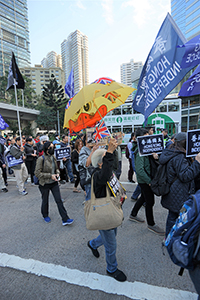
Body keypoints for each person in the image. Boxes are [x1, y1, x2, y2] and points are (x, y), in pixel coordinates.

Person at [87, 139, 127, 282]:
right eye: (106, 158)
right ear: (100, 163)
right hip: (104, 214)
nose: (109, 160)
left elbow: (113, 165)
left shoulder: (107, 172)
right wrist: (108, 151)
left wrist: (114, 148)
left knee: (111, 236)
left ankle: (92, 244)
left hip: (112, 211)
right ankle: (111, 269)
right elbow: (105, 175)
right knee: (111, 245)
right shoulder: (98, 176)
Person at [159, 132, 200, 237]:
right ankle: (171, 240)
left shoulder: (172, 152)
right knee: (176, 217)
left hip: (174, 193)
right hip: (179, 194)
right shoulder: (179, 157)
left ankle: (169, 238)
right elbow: (185, 176)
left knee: (172, 216)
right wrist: (197, 162)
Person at [129, 128, 165, 235]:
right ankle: (151, 224)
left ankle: (133, 214)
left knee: (144, 197)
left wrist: (155, 157)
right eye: (145, 137)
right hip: (144, 180)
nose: (148, 139)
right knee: (150, 201)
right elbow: (140, 170)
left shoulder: (145, 148)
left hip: (146, 179)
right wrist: (149, 181)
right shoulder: (139, 151)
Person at [34, 141, 74, 225]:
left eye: (53, 147)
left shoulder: (53, 157)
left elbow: (56, 168)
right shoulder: (41, 159)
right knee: (45, 200)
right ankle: (45, 215)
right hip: (44, 184)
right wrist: (50, 175)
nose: (53, 149)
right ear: (46, 149)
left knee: (59, 200)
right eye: (51, 147)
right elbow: (37, 173)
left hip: (54, 183)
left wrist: (57, 173)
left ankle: (65, 218)